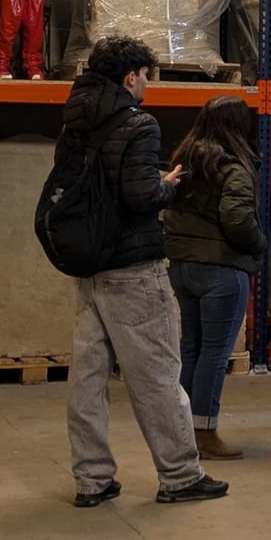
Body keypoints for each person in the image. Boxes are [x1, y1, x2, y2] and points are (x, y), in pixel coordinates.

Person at [58, 36, 226, 507]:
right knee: (156, 374)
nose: (148, 84)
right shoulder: (138, 124)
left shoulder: (75, 118)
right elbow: (139, 196)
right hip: (132, 267)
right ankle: (180, 475)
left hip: (90, 264)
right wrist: (167, 185)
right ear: (131, 77)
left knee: (88, 377)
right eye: (147, 75)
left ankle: (92, 479)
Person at [161, 95, 266, 462]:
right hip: (221, 271)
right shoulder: (232, 169)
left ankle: (184, 429)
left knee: (191, 348)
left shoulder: (184, 162)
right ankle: (205, 432)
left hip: (182, 269)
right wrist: (259, 245)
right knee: (215, 355)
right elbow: (237, 220)